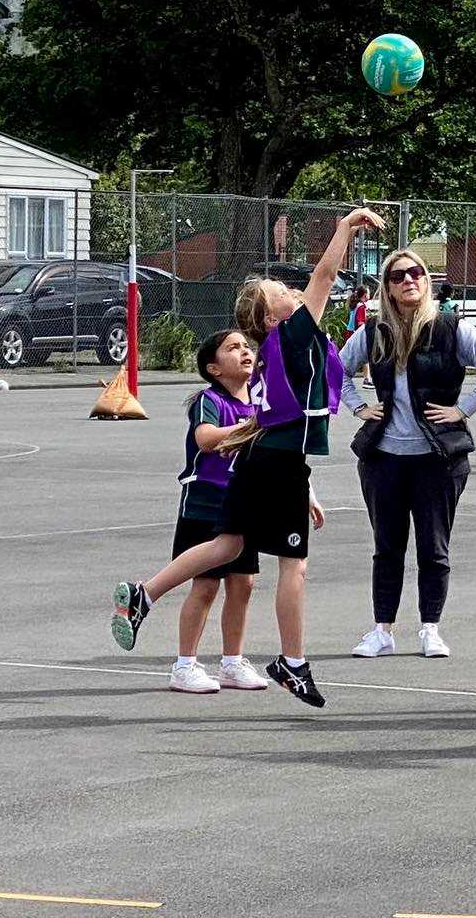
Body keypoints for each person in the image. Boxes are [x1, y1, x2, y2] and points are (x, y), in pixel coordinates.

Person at [111, 207, 384, 708]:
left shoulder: (276, 355)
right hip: (277, 465)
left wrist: (308, 488)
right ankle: (293, 662)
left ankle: (143, 594)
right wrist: (344, 228)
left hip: (267, 460)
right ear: (272, 314)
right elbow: (325, 275)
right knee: (292, 565)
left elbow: (264, 421)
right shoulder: (293, 333)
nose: (291, 289)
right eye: (280, 291)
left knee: (228, 544)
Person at [342, 250, 476, 660]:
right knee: (387, 547)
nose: (408, 281)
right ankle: (382, 629)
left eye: (416, 273)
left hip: (439, 457)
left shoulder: (450, 328)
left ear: (426, 281)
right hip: (384, 457)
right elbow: (336, 370)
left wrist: (462, 410)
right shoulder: (372, 332)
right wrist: (359, 408)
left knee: (434, 547)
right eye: (398, 275)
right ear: (388, 286)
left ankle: (430, 628)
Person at [166, 330, 268, 694]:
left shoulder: (260, 401)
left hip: (245, 503)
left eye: (246, 346)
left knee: (243, 584)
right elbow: (206, 439)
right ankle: (185, 665)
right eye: (232, 348)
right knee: (206, 585)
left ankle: (232, 663)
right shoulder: (209, 401)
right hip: (206, 502)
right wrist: (249, 428)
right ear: (214, 368)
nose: (244, 352)